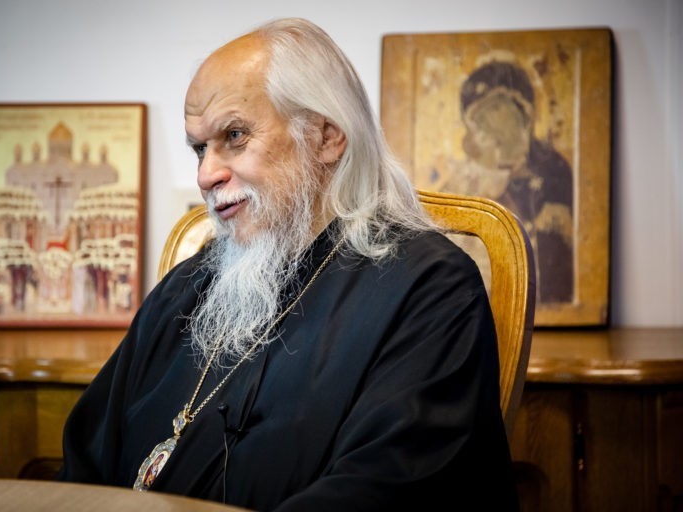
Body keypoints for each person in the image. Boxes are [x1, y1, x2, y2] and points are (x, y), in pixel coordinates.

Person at [58, 18, 519, 511]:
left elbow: (382, 490)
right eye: (200, 149)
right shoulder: (186, 288)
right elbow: (84, 465)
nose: (206, 175)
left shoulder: (430, 289)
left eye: (234, 135)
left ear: (326, 137)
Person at [440, 60, 574, 303]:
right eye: (480, 117)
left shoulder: (552, 173)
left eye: (498, 109)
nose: (489, 125)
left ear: (525, 115)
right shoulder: (465, 182)